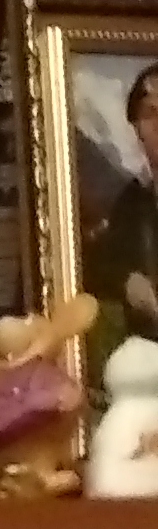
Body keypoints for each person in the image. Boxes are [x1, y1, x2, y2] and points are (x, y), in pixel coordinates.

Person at [81, 60, 158, 381]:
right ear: (137, 128)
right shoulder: (133, 202)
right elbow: (98, 262)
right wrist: (128, 281)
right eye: (151, 113)